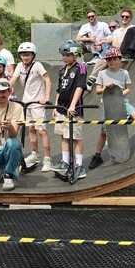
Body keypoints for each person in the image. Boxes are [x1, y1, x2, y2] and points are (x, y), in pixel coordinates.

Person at [89, 47, 135, 169]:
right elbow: (97, 91)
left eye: (113, 59)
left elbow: (128, 88)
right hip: (107, 104)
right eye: (108, 60)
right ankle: (97, 156)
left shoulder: (124, 73)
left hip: (122, 102)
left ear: (119, 60)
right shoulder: (102, 73)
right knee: (104, 132)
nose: (111, 62)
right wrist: (106, 88)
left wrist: (120, 93)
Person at [9, 42, 53, 173]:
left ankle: (47, 159)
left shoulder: (37, 65)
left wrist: (46, 97)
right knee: (31, 129)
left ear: (33, 55)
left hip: (37, 103)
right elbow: (13, 80)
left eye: (27, 54)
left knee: (42, 131)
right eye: (22, 55)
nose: (25, 57)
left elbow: (48, 80)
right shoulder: (19, 66)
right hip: (26, 102)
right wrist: (7, 90)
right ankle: (35, 154)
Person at [52, 40, 89, 180]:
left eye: (67, 54)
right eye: (63, 54)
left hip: (74, 109)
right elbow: (59, 90)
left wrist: (73, 105)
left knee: (76, 137)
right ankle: (65, 162)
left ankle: (79, 166)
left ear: (75, 54)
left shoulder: (81, 67)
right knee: (63, 136)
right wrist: (56, 106)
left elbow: (80, 87)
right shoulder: (62, 70)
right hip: (61, 109)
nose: (64, 57)